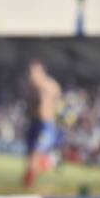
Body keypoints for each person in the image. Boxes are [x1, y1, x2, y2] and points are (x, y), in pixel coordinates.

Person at [23, 59, 62, 187]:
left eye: (34, 72)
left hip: (46, 126)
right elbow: (29, 107)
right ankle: (47, 162)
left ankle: (49, 162)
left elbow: (59, 101)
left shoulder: (50, 85)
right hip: (34, 124)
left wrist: (56, 113)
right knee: (30, 160)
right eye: (30, 72)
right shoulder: (30, 87)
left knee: (35, 155)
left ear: (41, 72)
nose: (31, 75)